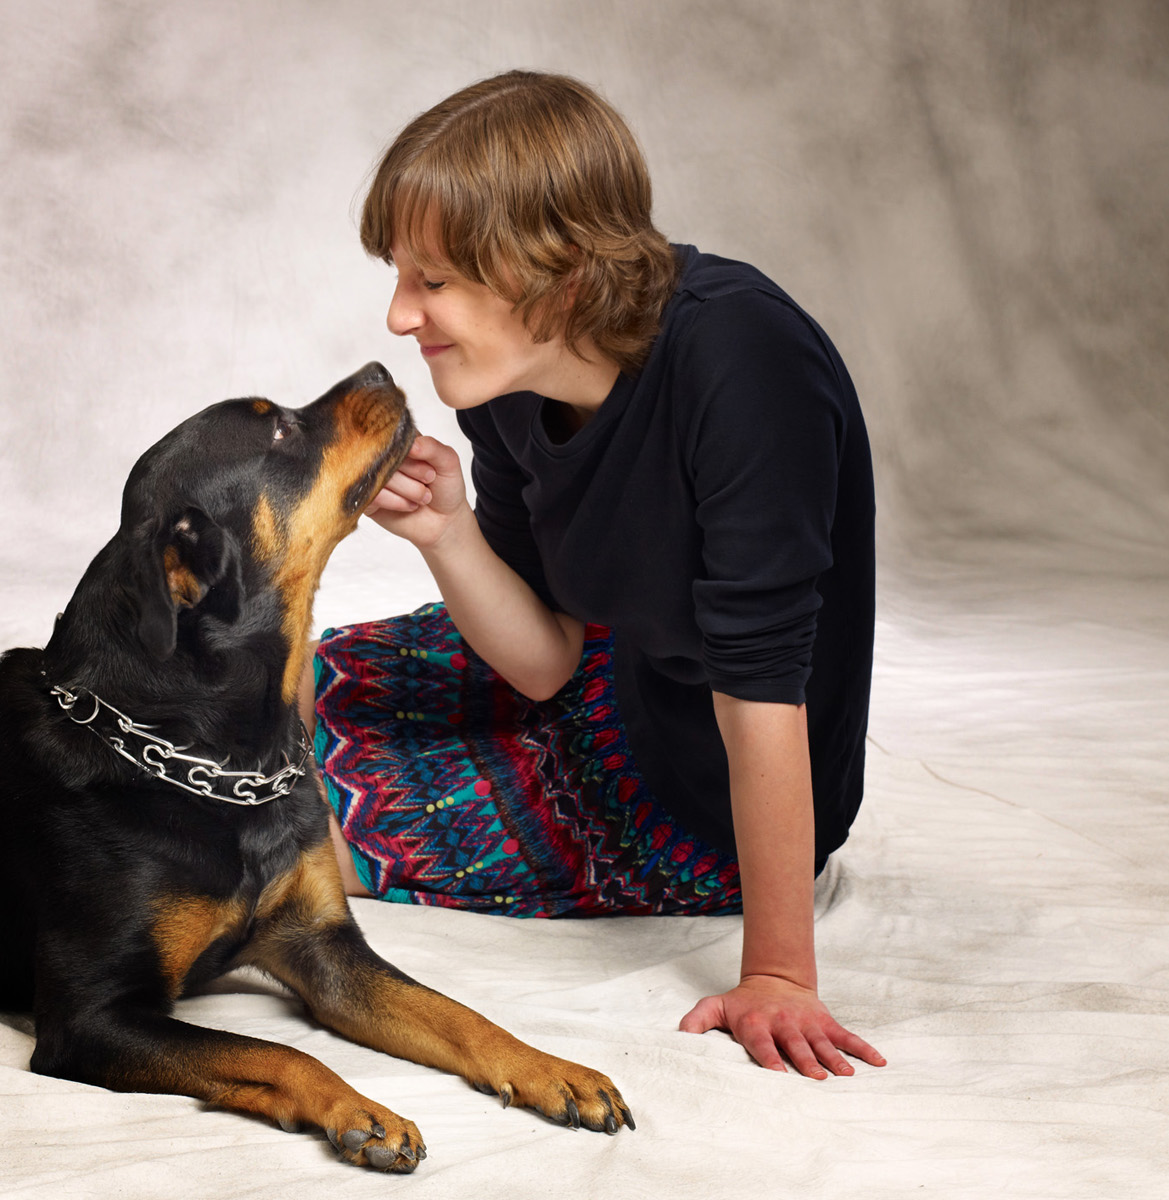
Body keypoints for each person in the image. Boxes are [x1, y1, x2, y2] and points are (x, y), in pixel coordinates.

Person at [300, 70, 885, 1080]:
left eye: (431, 281)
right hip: (606, 671)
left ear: (559, 274)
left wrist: (780, 974)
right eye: (400, 277)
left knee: (287, 834)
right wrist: (448, 534)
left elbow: (760, 699)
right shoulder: (504, 381)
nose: (400, 317)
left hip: (698, 788)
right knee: (259, 692)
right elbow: (543, 662)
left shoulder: (742, 361)